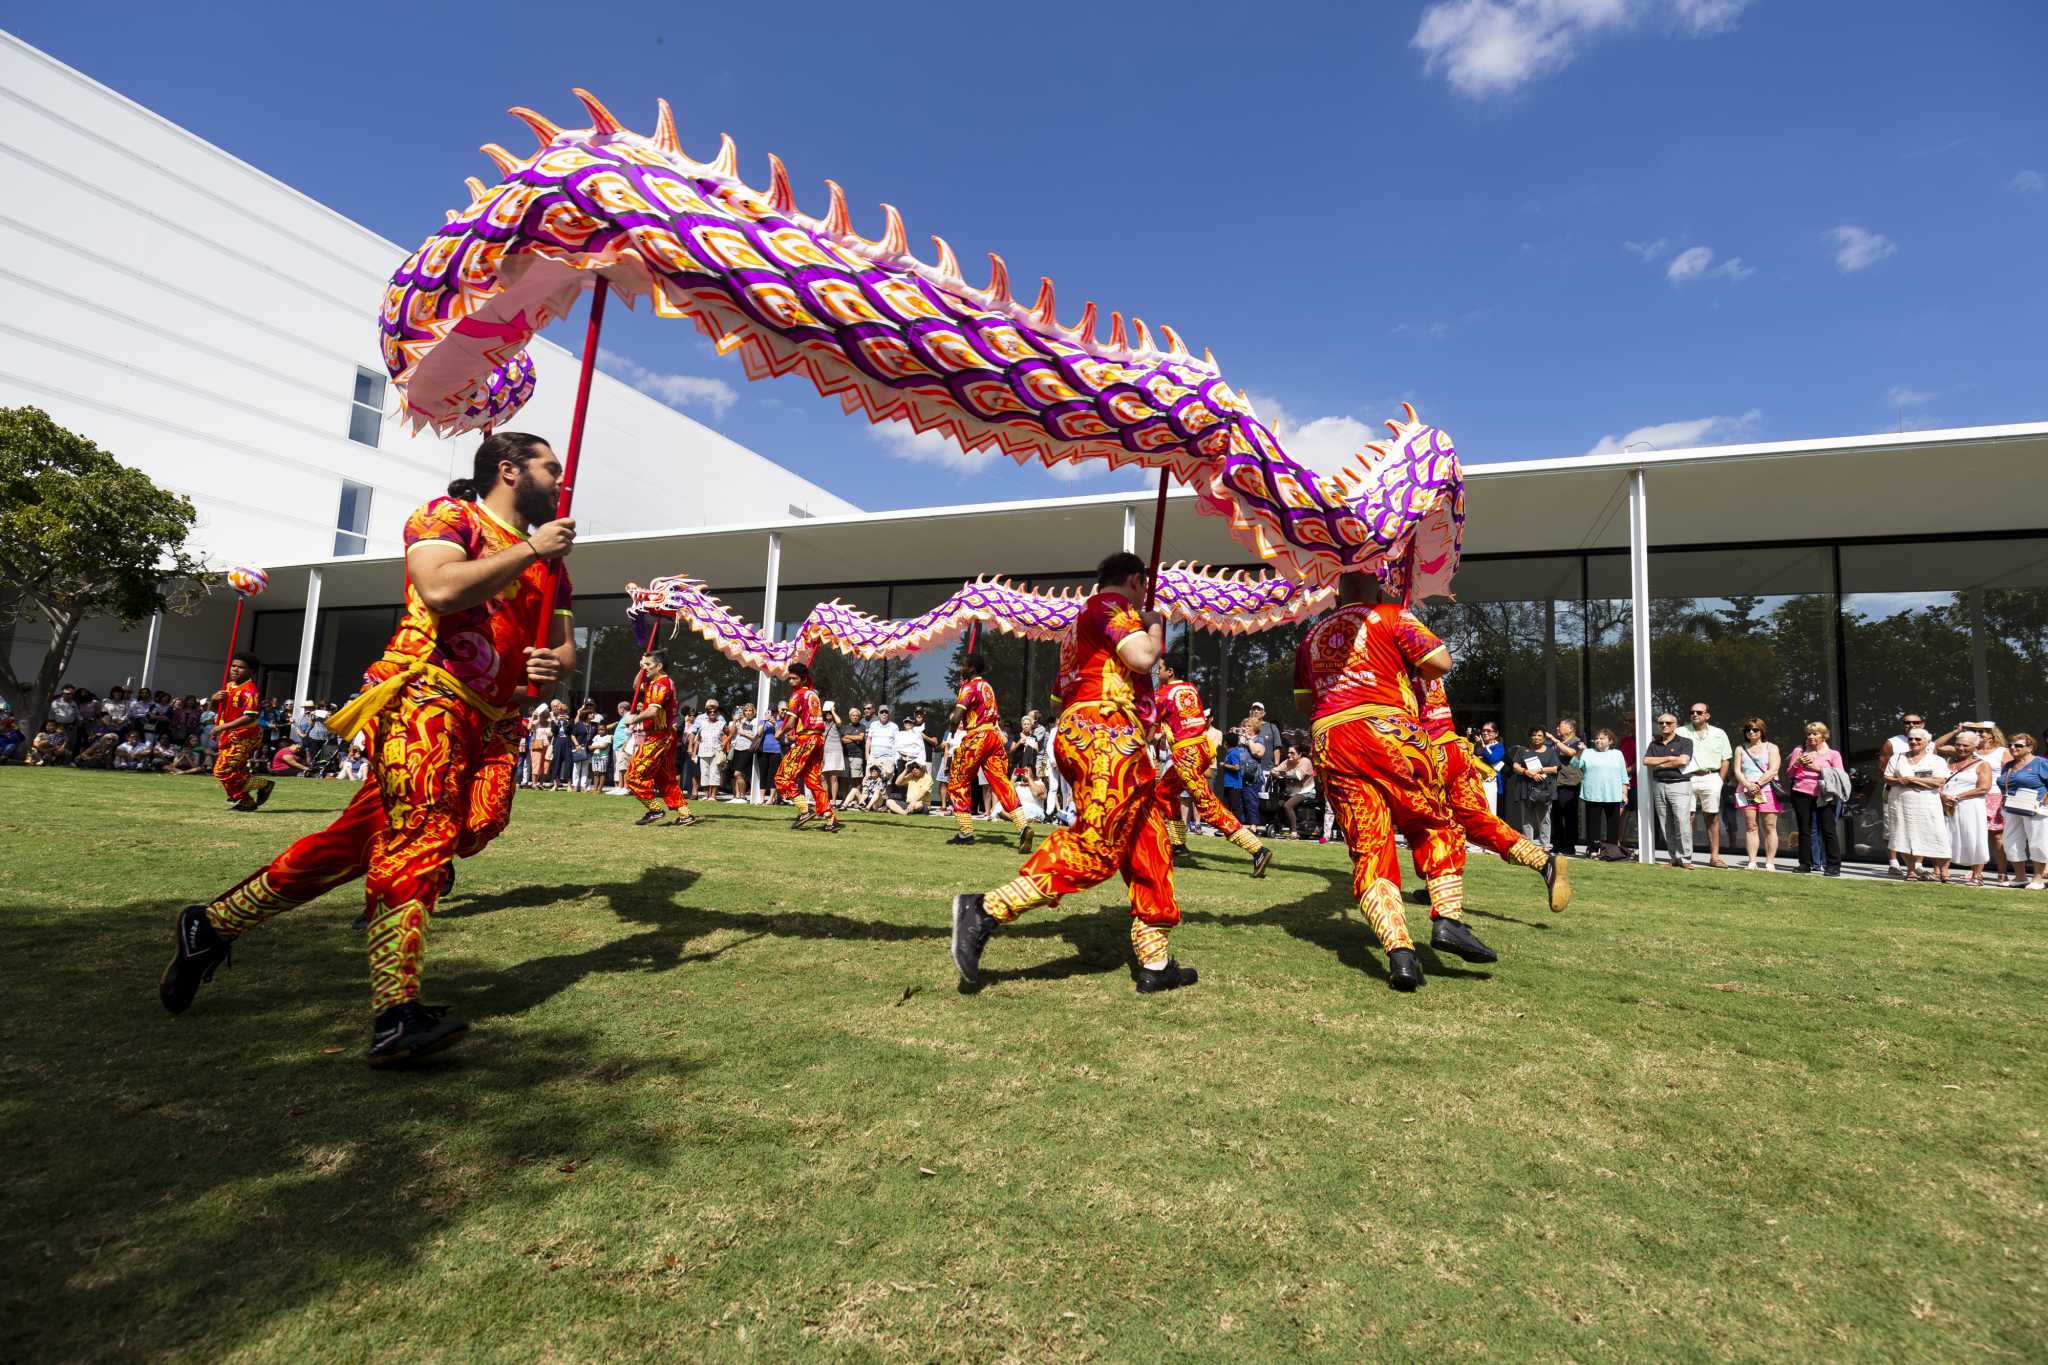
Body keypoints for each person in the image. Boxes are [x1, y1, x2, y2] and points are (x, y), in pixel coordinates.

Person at [159, 430, 577, 1065]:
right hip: (424, 697)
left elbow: (565, 650)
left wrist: (554, 665)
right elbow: (439, 590)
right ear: (509, 471)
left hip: (493, 719)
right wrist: (528, 549)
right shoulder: (447, 516)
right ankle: (396, 1015)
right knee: (423, 835)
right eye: (551, 468)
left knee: (395, 837)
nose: (561, 480)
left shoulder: (555, 564)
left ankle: (213, 925)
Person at [950, 552, 1194, 995]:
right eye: (1144, 586)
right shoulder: (1109, 609)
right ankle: (985, 909)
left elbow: (1063, 694)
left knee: (1150, 843)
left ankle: (1156, 959)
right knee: (1097, 846)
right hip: (1107, 737)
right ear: (1137, 581)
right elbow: (1143, 658)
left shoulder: (1077, 625)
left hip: (1098, 734)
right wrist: (1155, 624)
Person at [1288, 570, 1470, 990]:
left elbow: (1304, 703)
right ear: (1379, 586)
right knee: (1431, 822)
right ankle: (1447, 918)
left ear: (1337, 591)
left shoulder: (1311, 635)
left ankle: (1400, 953)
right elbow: (1440, 663)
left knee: (1370, 845)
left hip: (1331, 738)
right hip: (1387, 730)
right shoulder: (1391, 614)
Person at [1406, 674, 1568, 930]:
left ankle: (1440, 893)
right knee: (1469, 823)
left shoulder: (1397, 661)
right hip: (1450, 751)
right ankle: (1542, 861)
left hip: (1426, 752)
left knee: (1427, 823)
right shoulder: (1428, 670)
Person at [1150, 658, 1269, 872]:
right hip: (1201, 749)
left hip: (1186, 755)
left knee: (1208, 807)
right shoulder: (1190, 689)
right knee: (1164, 792)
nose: (1157, 672)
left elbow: (1147, 719)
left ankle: (1257, 850)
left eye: (1159, 669)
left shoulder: (1163, 695)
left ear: (1170, 671)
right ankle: (1178, 845)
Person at [944, 651, 1036, 850]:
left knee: (958, 781)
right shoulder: (987, 686)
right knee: (1002, 783)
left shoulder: (969, 687)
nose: (961, 668)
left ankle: (965, 832)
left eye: (964, 665)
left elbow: (957, 716)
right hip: (994, 737)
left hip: (977, 737)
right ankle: (1023, 828)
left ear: (972, 668)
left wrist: (952, 727)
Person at [625, 650, 693, 827]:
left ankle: (655, 810)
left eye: (648, 665)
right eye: (644, 665)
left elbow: (653, 711)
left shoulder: (661, 684)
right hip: (664, 736)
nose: (645, 668)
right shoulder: (654, 682)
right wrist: (641, 668)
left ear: (659, 666)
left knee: (633, 775)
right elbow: (635, 686)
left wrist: (634, 719)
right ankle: (685, 815)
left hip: (659, 736)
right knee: (666, 778)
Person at [777, 661, 842, 832]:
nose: (790, 681)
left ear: (803, 679)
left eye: (794, 678)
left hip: (807, 740)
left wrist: (779, 733)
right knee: (812, 780)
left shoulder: (797, 695)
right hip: (818, 740)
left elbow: (790, 722)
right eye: (789, 678)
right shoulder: (813, 695)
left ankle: (804, 810)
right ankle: (830, 818)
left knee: (782, 777)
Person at [210, 651, 275, 812]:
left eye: (240, 667)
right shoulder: (229, 686)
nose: (235, 670)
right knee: (229, 771)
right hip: (228, 734)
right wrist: (214, 699)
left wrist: (222, 727)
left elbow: (250, 718)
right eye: (233, 666)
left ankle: (264, 784)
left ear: (251, 671)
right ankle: (246, 801)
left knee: (223, 770)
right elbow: (218, 709)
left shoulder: (250, 690)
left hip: (244, 735)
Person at [1884, 728, 1951, 881]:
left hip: (1927, 804)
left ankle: (1944, 872)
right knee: (1904, 836)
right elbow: (1887, 777)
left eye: (1918, 739)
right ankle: (1911, 870)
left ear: (1927, 742)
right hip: (1901, 803)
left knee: (1937, 835)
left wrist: (1912, 780)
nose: (1913, 742)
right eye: (1911, 739)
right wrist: (1900, 781)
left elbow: (1939, 781)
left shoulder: (1936, 760)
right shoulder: (1897, 758)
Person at [1786, 721, 1846, 876]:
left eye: (1815, 733)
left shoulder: (1833, 754)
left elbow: (1840, 775)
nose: (1811, 737)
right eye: (1808, 734)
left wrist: (1817, 768)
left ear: (1823, 736)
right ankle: (1805, 864)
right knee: (1804, 829)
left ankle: (1833, 865)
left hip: (1825, 794)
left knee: (1828, 829)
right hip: (1801, 792)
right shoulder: (1799, 751)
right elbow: (1790, 774)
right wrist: (1797, 764)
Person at [1683, 701, 1734, 869]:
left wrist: (1720, 779)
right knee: (1687, 818)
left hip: (1711, 777)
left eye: (1699, 712)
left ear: (1707, 715)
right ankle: (1686, 857)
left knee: (1712, 817)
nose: (1695, 714)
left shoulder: (1719, 733)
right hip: (1687, 778)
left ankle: (1714, 857)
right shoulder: (1680, 731)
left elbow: (1726, 758)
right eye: (1692, 712)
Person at [1642, 713, 1696, 867]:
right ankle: (1674, 858)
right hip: (1659, 785)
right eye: (1661, 723)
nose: (1664, 725)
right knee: (1666, 823)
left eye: (1668, 722)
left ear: (1675, 725)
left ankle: (1686, 859)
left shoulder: (1685, 742)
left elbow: (1683, 760)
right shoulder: (1654, 744)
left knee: (1682, 822)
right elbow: (1646, 761)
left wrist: (1659, 765)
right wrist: (1671, 759)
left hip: (1679, 784)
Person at [1940, 730, 1993, 885]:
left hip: (1970, 806)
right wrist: (1942, 796)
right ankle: (1944, 873)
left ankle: (1977, 875)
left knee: (1974, 837)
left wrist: (1957, 797)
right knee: (1946, 837)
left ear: (1975, 747)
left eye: (1965, 745)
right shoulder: (1947, 761)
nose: (1961, 748)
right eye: (1958, 745)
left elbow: (1984, 788)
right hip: (1946, 805)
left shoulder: (1982, 764)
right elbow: (1938, 782)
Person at [1995, 733, 2047, 890]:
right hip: (2012, 807)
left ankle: (2038, 879)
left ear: (2030, 747)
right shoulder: (2008, 765)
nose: (2012, 748)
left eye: (2018, 745)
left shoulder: (2041, 763)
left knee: (2038, 842)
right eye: (2010, 745)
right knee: (2011, 842)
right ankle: (2020, 877)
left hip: (2036, 808)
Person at [1878, 708, 1926, 875]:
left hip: (1921, 794)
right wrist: (1896, 780)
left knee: (1920, 828)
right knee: (1892, 827)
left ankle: (1919, 864)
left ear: (1923, 724)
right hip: (1894, 791)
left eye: (1915, 722)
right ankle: (1893, 862)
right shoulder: (1893, 742)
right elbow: (1882, 767)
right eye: (1907, 722)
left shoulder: (1929, 743)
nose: (1911, 725)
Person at [1732, 717, 1783, 872]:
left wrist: (1758, 784)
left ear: (1762, 731)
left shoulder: (1771, 747)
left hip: (1766, 789)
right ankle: (1752, 861)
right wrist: (1748, 785)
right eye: (1748, 730)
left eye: (1755, 729)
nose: (1751, 732)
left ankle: (1769, 862)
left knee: (1769, 826)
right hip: (1748, 790)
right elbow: (1737, 770)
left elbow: (1773, 769)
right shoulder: (1740, 748)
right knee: (1751, 826)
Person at [1573, 728, 1630, 859]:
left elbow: (1623, 774)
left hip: (1613, 793)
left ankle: (1611, 851)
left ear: (1610, 741)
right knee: (1593, 824)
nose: (1598, 741)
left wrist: (1624, 792)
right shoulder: (1588, 752)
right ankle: (1593, 849)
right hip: (1593, 793)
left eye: (1602, 738)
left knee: (1613, 824)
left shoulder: (1617, 754)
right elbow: (1574, 765)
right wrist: (1580, 752)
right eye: (1597, 738)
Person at [1509, 725, 1561, 847]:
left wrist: (1539, 770)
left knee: (1544, 819)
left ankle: (1545, 845)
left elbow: (1555, 768)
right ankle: (1528, 845)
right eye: (1533, 735)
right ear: (1529, 737)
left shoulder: (1550, 751)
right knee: (1527, 820)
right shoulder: (1522, 750)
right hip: (1526, 788)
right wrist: (1526, 772)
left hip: (1544, 790)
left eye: (1539, 735)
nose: (1536, 738)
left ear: (1544, 737)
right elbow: (1515, 766)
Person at [1547, 720, 1587, 855]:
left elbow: (1571, 753)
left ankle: (1570, 846)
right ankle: (1557, 844)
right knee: (1556, 815)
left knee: (1569, 815)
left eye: (1561, 726)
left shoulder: (1578, 742)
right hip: (1555, 783)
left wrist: (1554, 741)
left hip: (1569, 783)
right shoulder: (1556, 743)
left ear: (1570, 729)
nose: (1557, 728)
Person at [1475, 721, 1505, 815]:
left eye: (1489, 731)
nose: (1485, 733)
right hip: (1476, 782)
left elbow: (1493, 759)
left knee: (1490, 812)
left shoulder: (1498, 747)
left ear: (1496, 733)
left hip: (1489, 782)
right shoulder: (1478, 746)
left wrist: (1483, 746)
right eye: (1483, 731)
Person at [819, 701, 846, 803]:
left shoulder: (836, 723)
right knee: (823, 778)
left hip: (835, 752)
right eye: (827, 712)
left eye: (829, 712)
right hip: (824, 753)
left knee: (834, 778)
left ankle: (834, 800)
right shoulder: (822, 724)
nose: (828, 714)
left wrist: (833, 711)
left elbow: (839, 722)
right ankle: (825, 799)